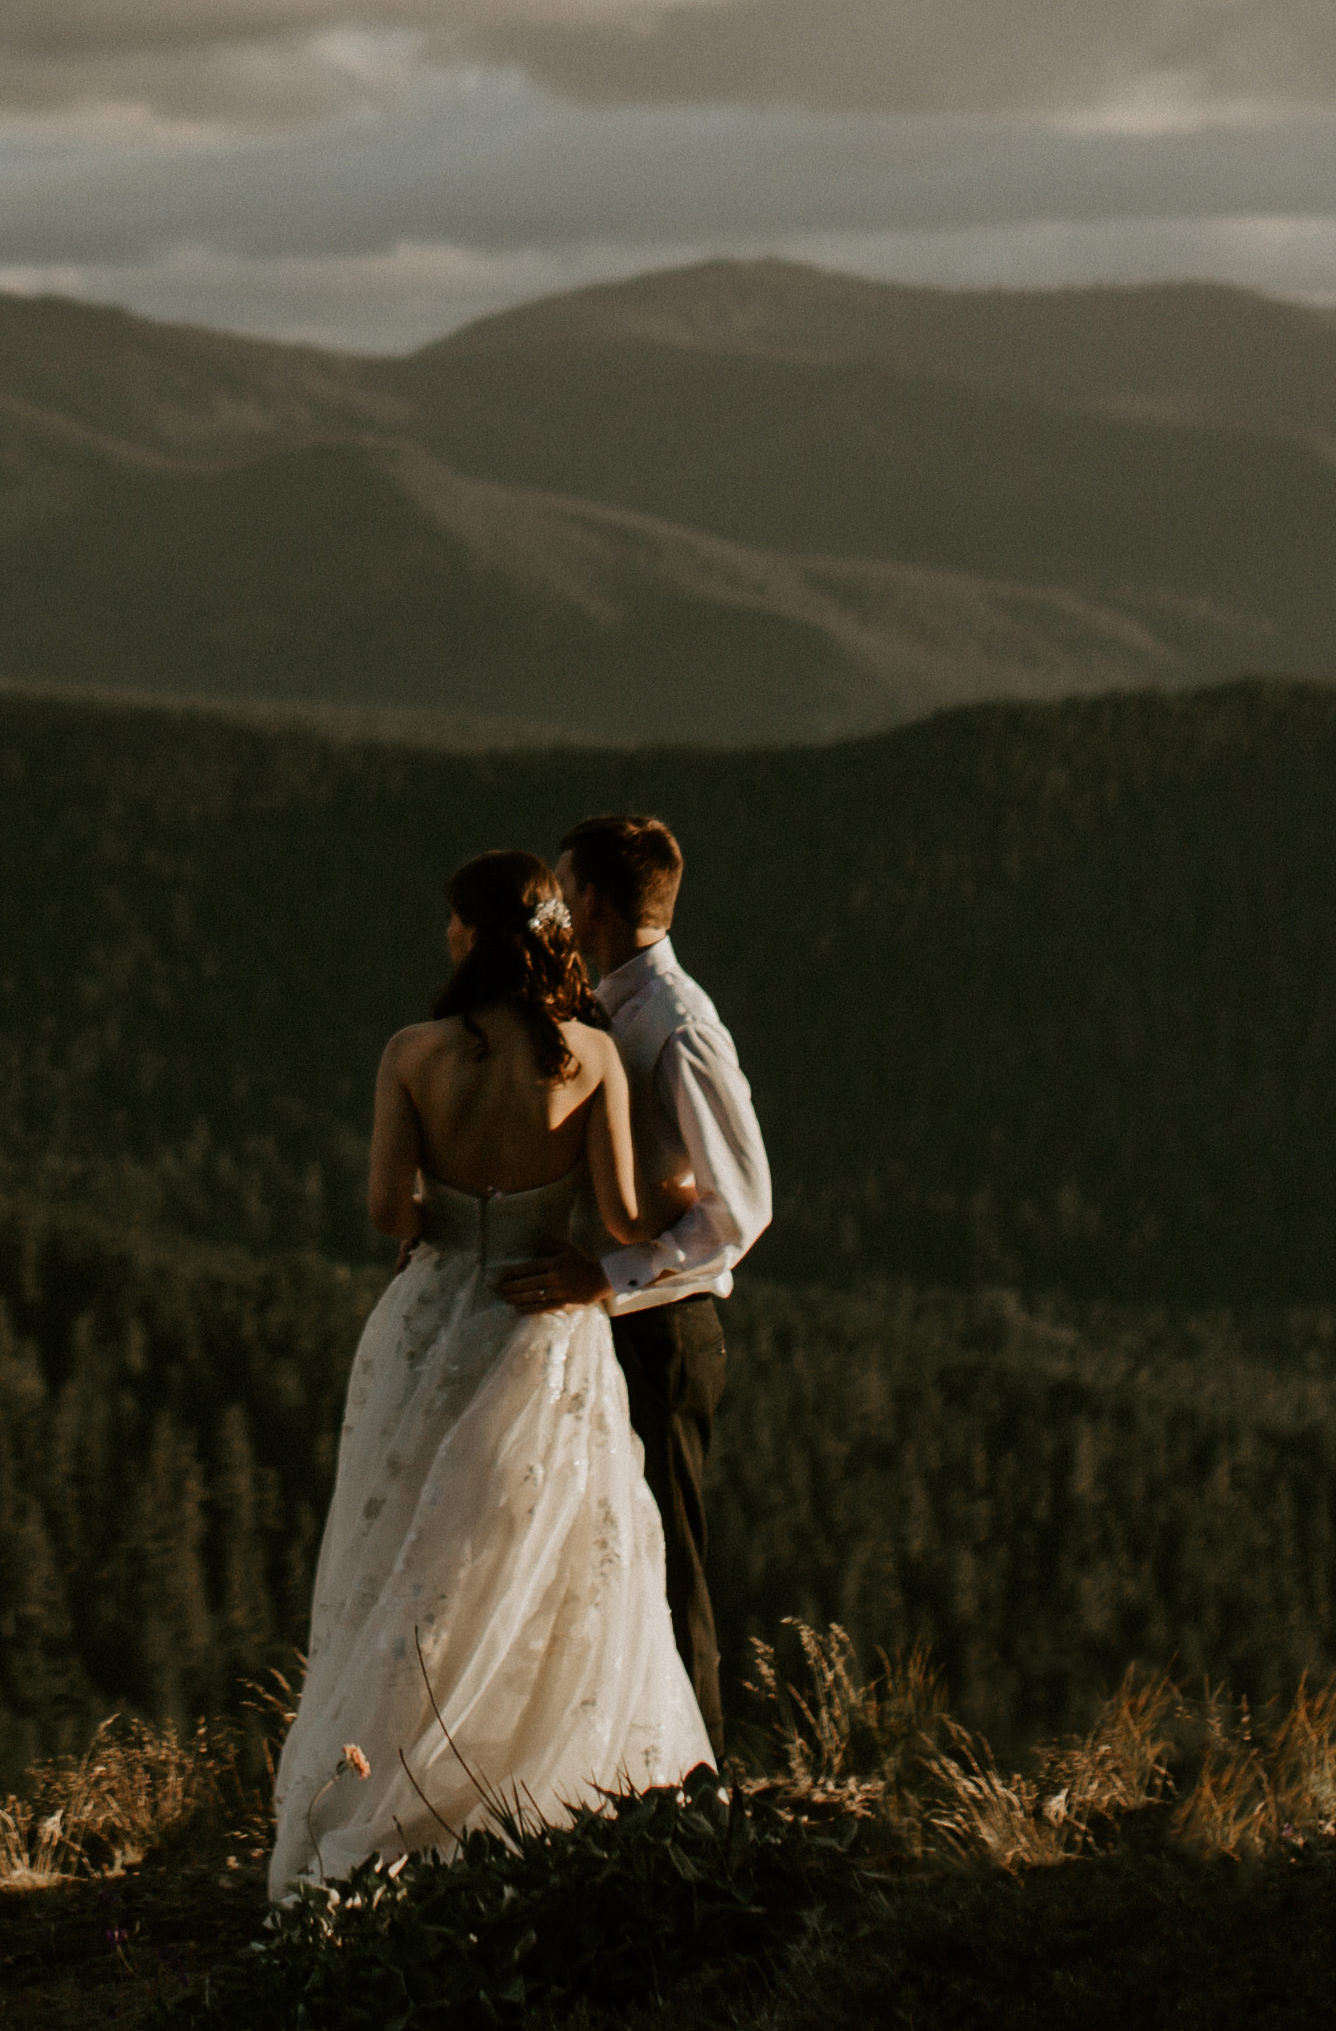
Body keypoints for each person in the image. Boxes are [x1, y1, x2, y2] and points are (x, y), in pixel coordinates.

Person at [263, 852, 714, 1900]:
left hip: (430, 1321)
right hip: (541, 1330)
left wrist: (440, 1229)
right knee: (533, 1559)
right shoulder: (590, 1056)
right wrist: (683, 1195)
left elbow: (387, 1209)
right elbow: (622, 1221)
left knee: (407, 1559)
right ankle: (530, 1786)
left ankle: (393, 1784)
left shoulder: (412, 1054)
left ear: (469, 934)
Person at [495, 812, 770, 1762]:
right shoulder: (607, 1003)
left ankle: (701, 1792)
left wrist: (604, 1279)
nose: (554, 913)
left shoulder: (681, 1027)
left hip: (664, 1329)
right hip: (605, 1320)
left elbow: (740, 1211)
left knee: (667, 1561)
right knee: (599, 1558)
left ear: (596, 903)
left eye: (565, 895)